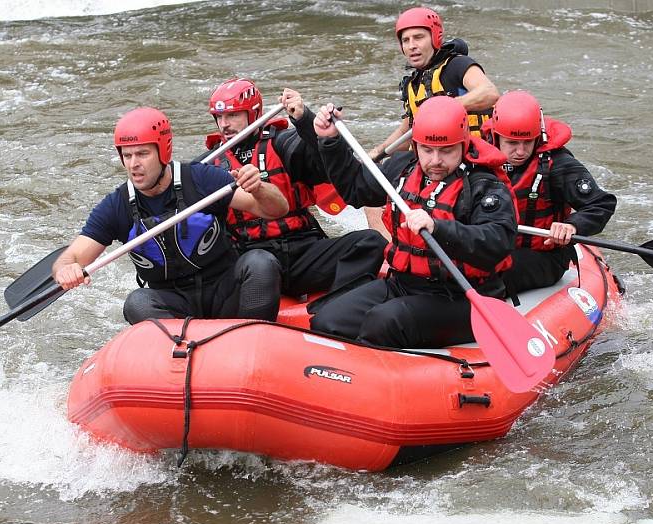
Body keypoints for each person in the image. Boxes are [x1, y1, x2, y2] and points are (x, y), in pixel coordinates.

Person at [310, 96, 517, 348]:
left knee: (383, 322)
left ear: (463, 144)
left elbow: (498, 241)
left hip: (464, 297)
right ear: (416, 145)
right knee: (327, 321)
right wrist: (330, 142)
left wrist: (439, 228)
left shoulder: (485, 185)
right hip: (404, 285)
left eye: (446, 150)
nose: (436, 161)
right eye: (427, 150)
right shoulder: (403, 167)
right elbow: (355, 191)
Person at [52, 107, 289, 324]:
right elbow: (70, 257)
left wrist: (259, 188)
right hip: (173, 302)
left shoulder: (201, 179)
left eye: (142, 154)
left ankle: (250, 337)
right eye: (127, 156)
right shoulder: (117, 205)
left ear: (163, 151)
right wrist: (66, 270)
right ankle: (183, 353)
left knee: (260, 263)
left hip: (224, 290)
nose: (134, 164)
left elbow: (277, 209)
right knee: (138, 302)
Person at [199, 78, 387, 320]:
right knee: (257, 263)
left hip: (301, 252)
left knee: (371, 242)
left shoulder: (284, 142)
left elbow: (325, 161)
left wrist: (304, 120)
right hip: (250, 259)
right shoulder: (207, 164)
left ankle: (335, 309)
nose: (224, 124)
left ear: (253, 113)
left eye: (233, 116)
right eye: (219, 117)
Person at [365, 6, 500, 240]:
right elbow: (408, 128)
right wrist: (375, 154)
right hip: (432, 161)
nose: (412, 45)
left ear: (435, 38)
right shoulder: (411, 84)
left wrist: (446, 108)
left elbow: (489, 93)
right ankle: (392, 250)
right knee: (374, 187)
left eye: (419, 37)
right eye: (405, 40)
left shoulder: (457, 65)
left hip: (468, 160)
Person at [481, 90, 617, 295]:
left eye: (527, 142)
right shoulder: (478, 159)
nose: (520, 151)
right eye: (512, 143)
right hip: (493, 248)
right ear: (495, 136)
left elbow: (602, 203)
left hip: (544, 256)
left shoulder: (558, 164)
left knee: (493, 273)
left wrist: (572, 226)